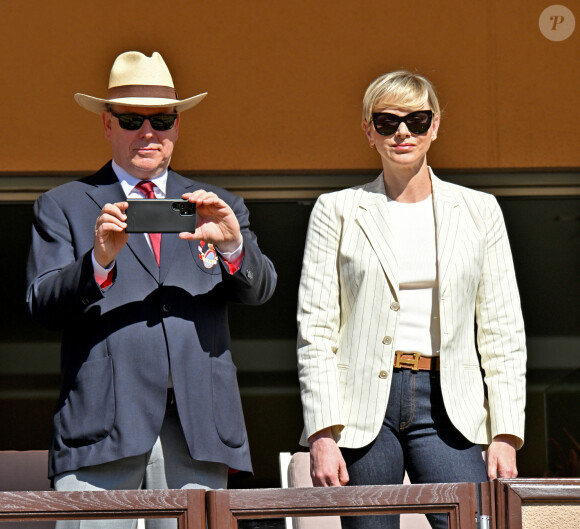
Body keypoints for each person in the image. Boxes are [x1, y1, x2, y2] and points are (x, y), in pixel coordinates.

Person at [26, 51, 277, 528]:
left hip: (197, 424)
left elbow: (261, 290)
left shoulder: (214, 205)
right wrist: (98, 260)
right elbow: (41, 302)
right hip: (101, 427)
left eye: (161, 119)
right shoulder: (63, 205)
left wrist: (233, 247)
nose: (148, 131)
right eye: (131, 119)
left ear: (177, 126)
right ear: (106, 124)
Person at [296, 71, 526, 529]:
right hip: (362, 408)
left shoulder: (480, 211)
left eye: (416, 120)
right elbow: (316, 327)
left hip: (447, 401)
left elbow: (502, 327)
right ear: (368, 131)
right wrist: (322, 433)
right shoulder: (336, 210)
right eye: (386, 122)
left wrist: (504, 433)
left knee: (470, 523)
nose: (403, 132)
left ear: (435, 126)